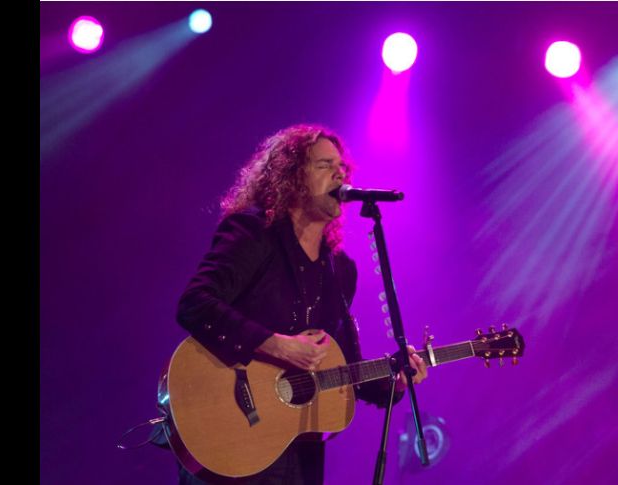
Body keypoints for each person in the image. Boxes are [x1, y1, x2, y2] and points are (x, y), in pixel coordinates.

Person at [172, 124, 428, 484]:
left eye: (342, 167)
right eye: (325, 165)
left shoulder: (340, 270)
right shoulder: (253, 234)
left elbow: (345, 371)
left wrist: (396, 383)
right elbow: (195, 304)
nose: (340, 174)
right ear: (291, 177)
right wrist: (276, 345)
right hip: (230, 437)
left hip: (298, 452)